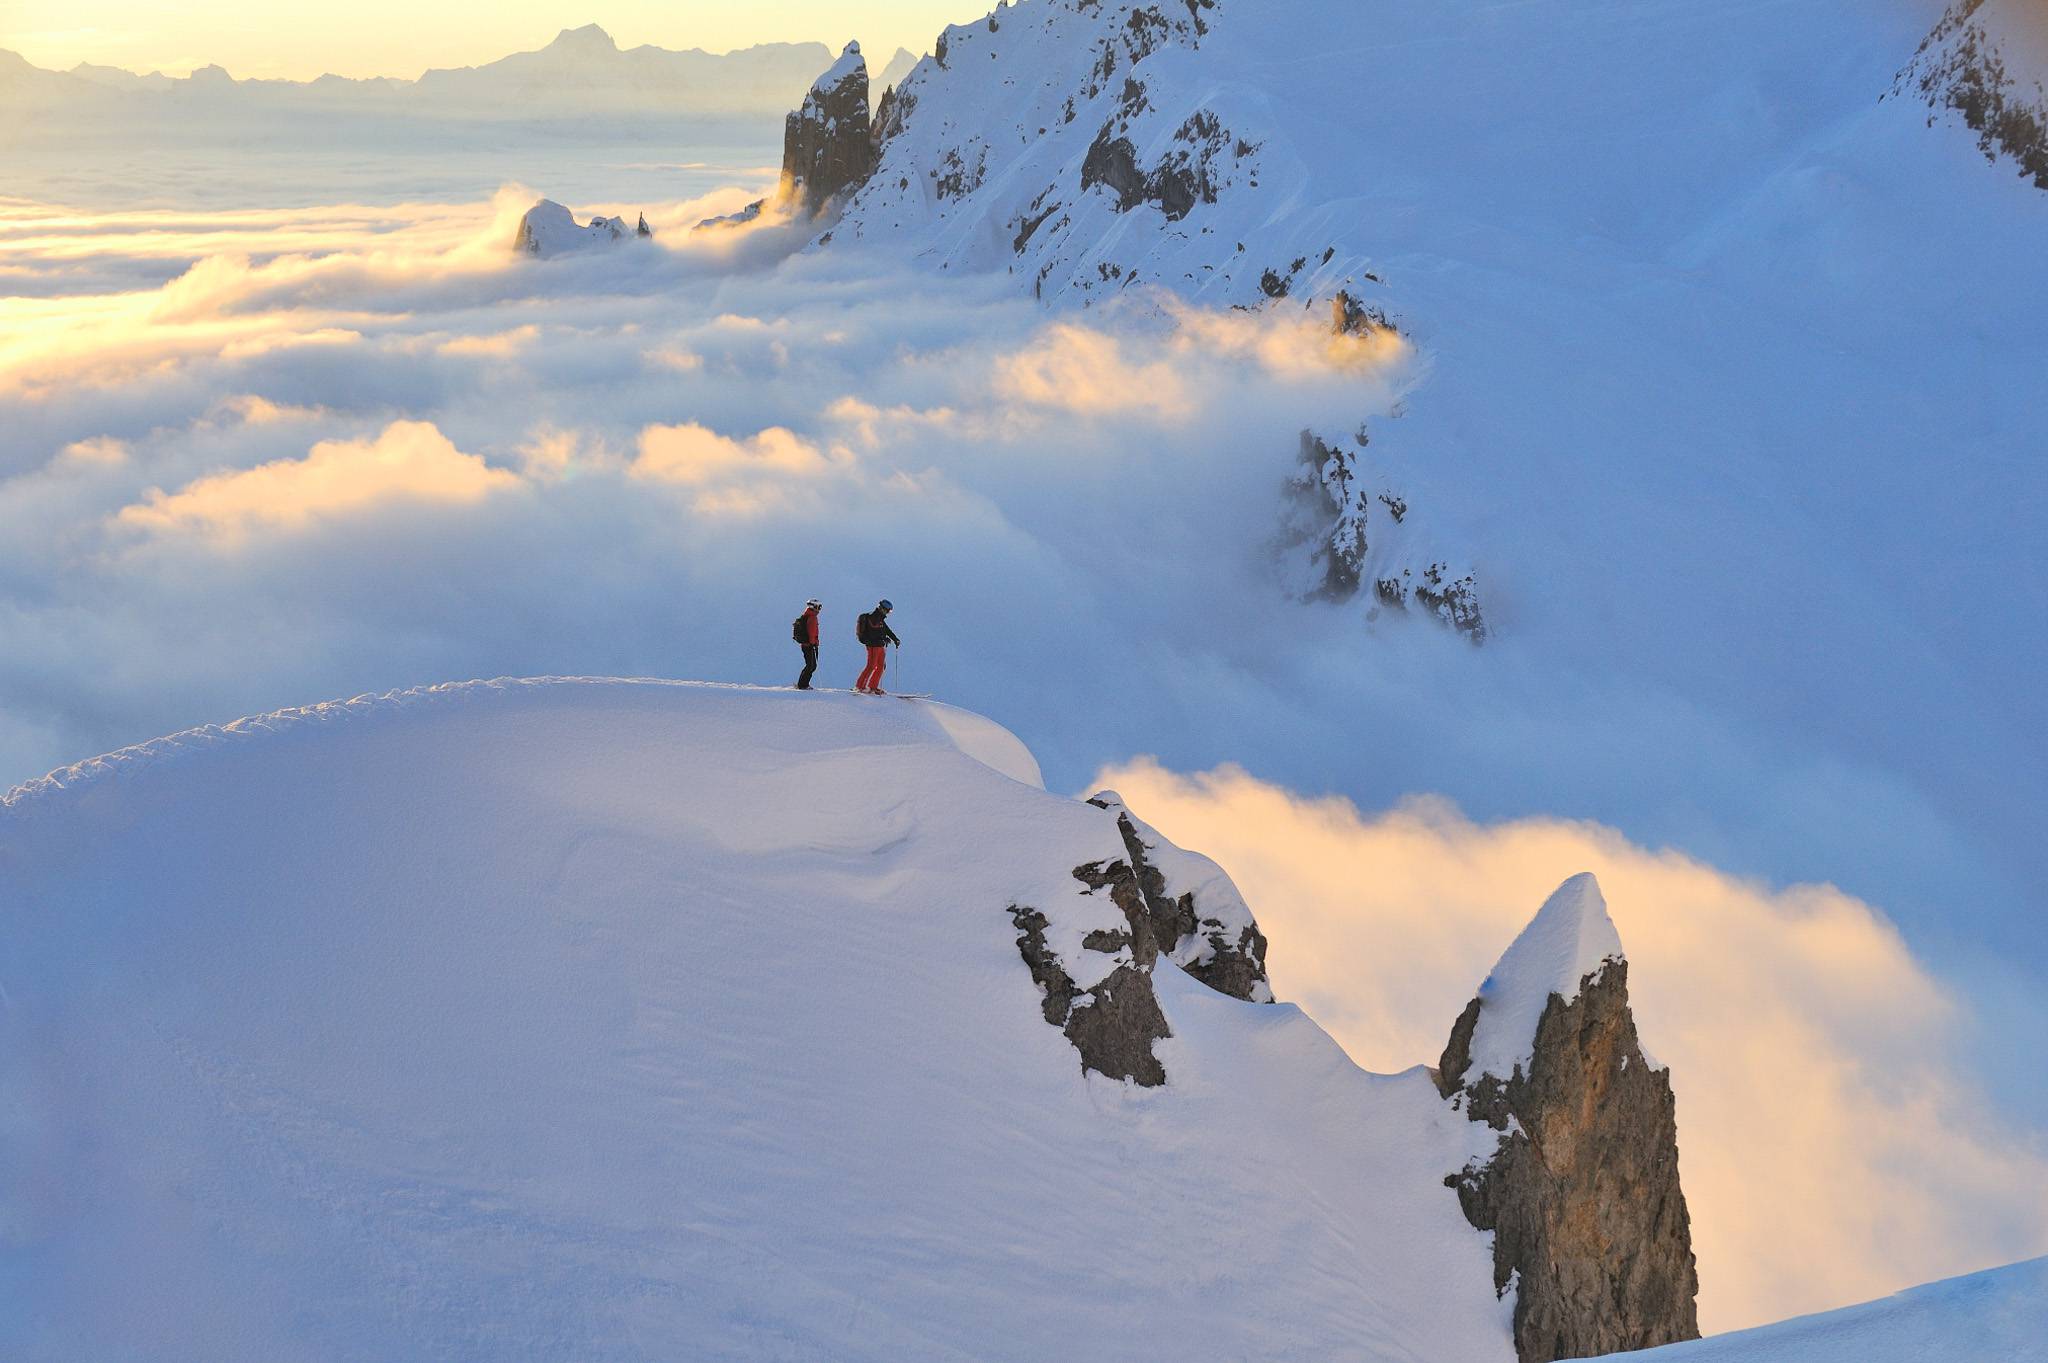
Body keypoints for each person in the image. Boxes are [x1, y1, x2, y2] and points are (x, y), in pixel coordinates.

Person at [854, 599, 900, 694]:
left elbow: (886, 630)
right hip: (873, 646)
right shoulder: (873, 617)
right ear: (882, 608)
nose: (888, 612)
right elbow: (873, 633)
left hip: (880, 646)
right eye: (887, 610)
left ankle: (872, 687)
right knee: (871, 666)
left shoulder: (880, 619)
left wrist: (895, 639)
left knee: (880, 666)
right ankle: (860, 686)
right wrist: (885, 639)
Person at [793, 598, 822, 689]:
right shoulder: (812, 617)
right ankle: (803, 685)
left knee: (810, 665)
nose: (819, 609)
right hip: (810, 645)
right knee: (811, 665)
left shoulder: (806, 616)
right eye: (818, 607)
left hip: (805, 645)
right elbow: (812, 632)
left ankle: (802, 684)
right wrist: (813, 643)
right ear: (813, 606)